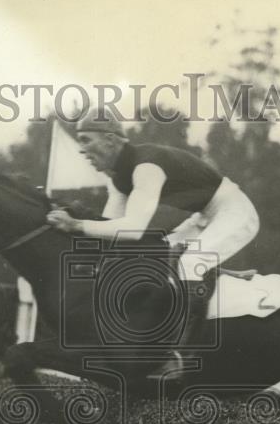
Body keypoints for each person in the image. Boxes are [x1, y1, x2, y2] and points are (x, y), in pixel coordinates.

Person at [45, 112, 260, 377]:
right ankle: (221, 276)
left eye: (87, 140)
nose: (82, 149)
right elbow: (111, 232)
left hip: (235, 211)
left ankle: (181, 356)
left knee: (188, 263)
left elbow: (133, 230)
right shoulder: (119, 179)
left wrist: (76, 225)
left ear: (111, 140)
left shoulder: (146, 168)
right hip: (205, 214)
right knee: (162, 257)